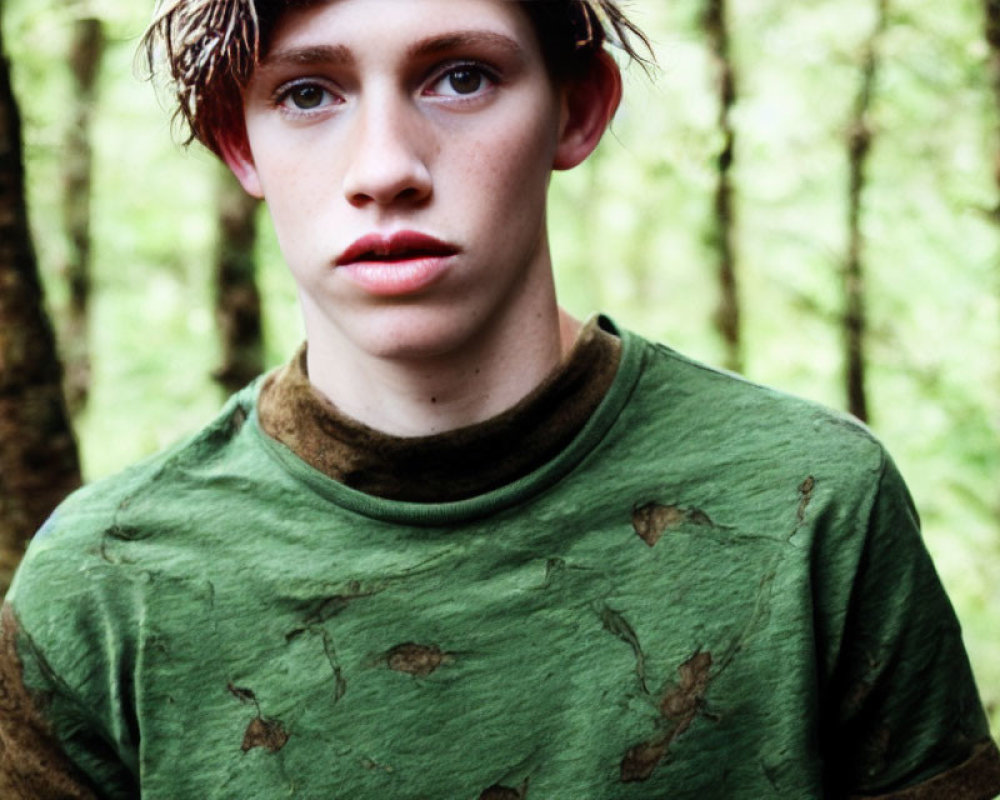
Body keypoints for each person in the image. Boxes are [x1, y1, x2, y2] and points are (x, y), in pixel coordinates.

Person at [1, 0, 998, 796]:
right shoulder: (102, 586)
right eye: (308, 92)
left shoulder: (814, 503)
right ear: (241, 144)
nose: (385, 168)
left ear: (576, 109)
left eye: (461, 77)